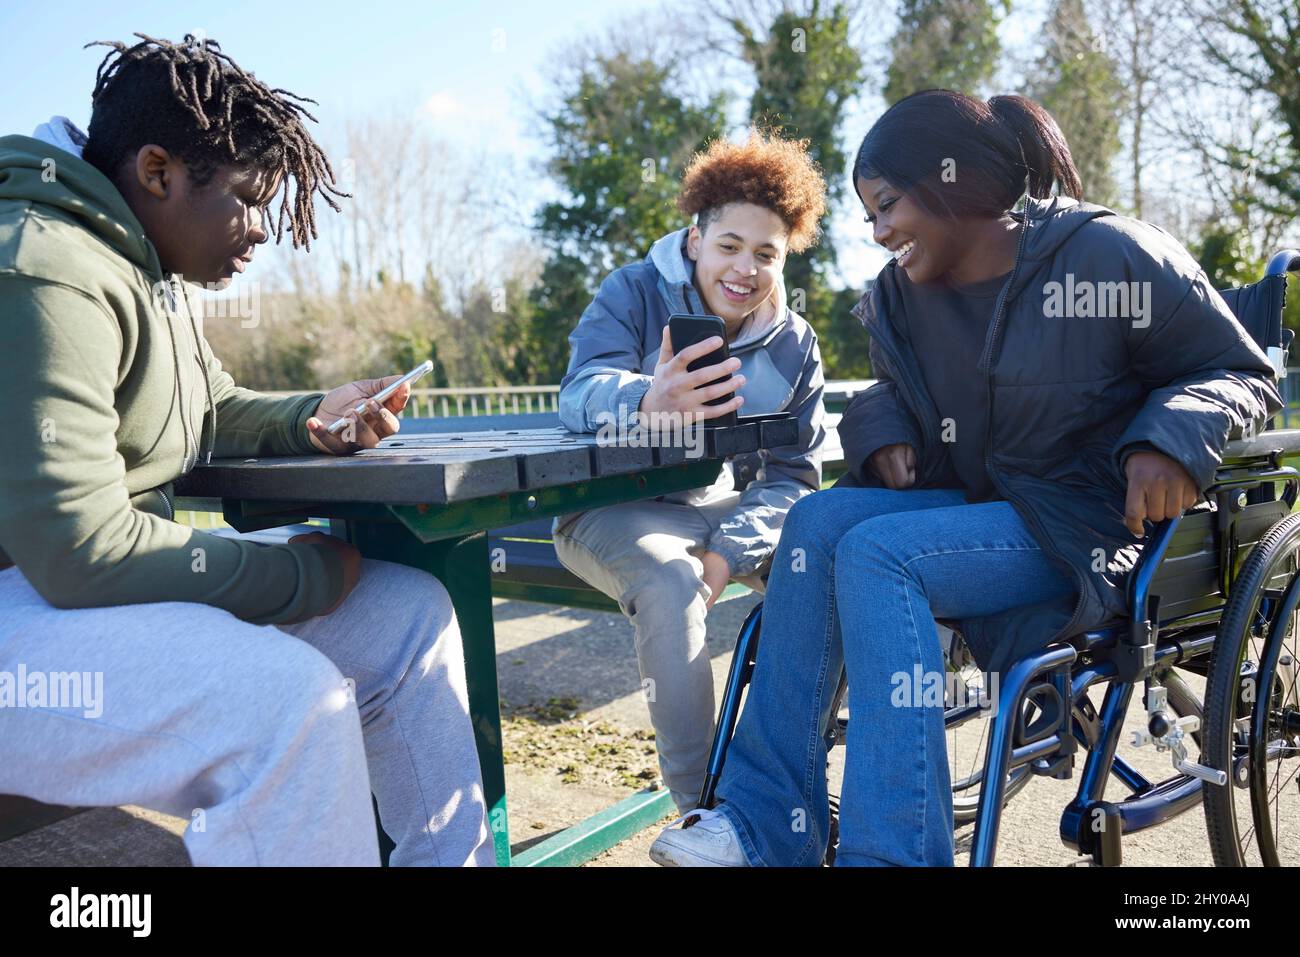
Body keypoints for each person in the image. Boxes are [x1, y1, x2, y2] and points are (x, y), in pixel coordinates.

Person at [649, 90, 1281, 866]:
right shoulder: (899, 298)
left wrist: (1171, 438)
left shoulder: (1107, 253)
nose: (879, 233)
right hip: (979, 510)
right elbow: (896, 393)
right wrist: (881, 432)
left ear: (950, 186)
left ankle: (895, 855)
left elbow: (1239, 370)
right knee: (817, 524)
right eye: (869, 216)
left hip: (1086, 527)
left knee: (881, 555)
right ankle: (762, 826)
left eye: (886, 207)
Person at [0, 34, 492, 866]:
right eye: (247, 200)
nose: (262, 230)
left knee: (406, 617)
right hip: (30, 606)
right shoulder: (42, 263)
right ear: (157, 172)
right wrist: (299, 575)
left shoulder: (143, 259)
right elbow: (80, 551)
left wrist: (310, 417)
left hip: (68, 592)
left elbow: (207, 403)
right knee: (289, 707)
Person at [554, 130, 828, 813]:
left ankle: (775, 770)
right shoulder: (633, 290)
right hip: (609, 510)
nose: (745, 268)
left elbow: (793, 475)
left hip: (719, 508)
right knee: (674, 587)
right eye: (729, 245)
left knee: (831, 562)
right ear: (695, 238)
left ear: (784, 255)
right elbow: (576, 393)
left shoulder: (794, 343)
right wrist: (645, 398)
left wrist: (729, 553)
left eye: (766, 253)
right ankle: (703, 813)